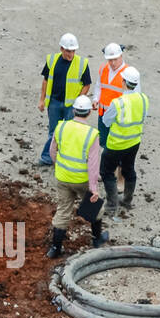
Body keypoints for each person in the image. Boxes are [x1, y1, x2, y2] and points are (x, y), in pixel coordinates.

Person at [46, 95, 107, 258]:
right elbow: (93, 165)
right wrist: (94, 190)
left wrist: (58, 165)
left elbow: (52, 151)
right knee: (94, 208)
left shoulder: (62, 127)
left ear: (74, 111)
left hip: (63, 177)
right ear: (88, 113)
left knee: (63, 211)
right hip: (82, 180)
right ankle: (97, 239)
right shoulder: (92, 134)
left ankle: (55, 249)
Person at [38, 33, 91, 166]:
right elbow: (45, 80)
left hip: (71, 106)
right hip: (54, 103)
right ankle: (47, 158)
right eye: (68, 51)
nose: (71, 54)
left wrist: (79, 102)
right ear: (61, 49)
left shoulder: (82, 63)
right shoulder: (52, 60)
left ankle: (64, 160)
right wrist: (42, 100)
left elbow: (86, 84)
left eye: (73, 51)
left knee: (68, 134)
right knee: (53, 133)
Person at [100, 66, 148, 212]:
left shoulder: (118, 103)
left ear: (123, 82)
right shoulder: (144, 99)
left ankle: (112, 205)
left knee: (107, 172)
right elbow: (143, 118)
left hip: (116, 144)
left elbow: (106, 121)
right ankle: (127, 200)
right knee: (129, 170)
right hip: (134, 143)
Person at [95, 43, 128, 148]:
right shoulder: (103, 69)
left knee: (117, 143)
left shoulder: (128, 73)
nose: (113, 63)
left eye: (115, 59)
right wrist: (96, 99)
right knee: (103, 141)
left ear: (121, 56)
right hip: (103, 113)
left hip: (118, 116)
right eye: (110, 60)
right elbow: (98, 86)